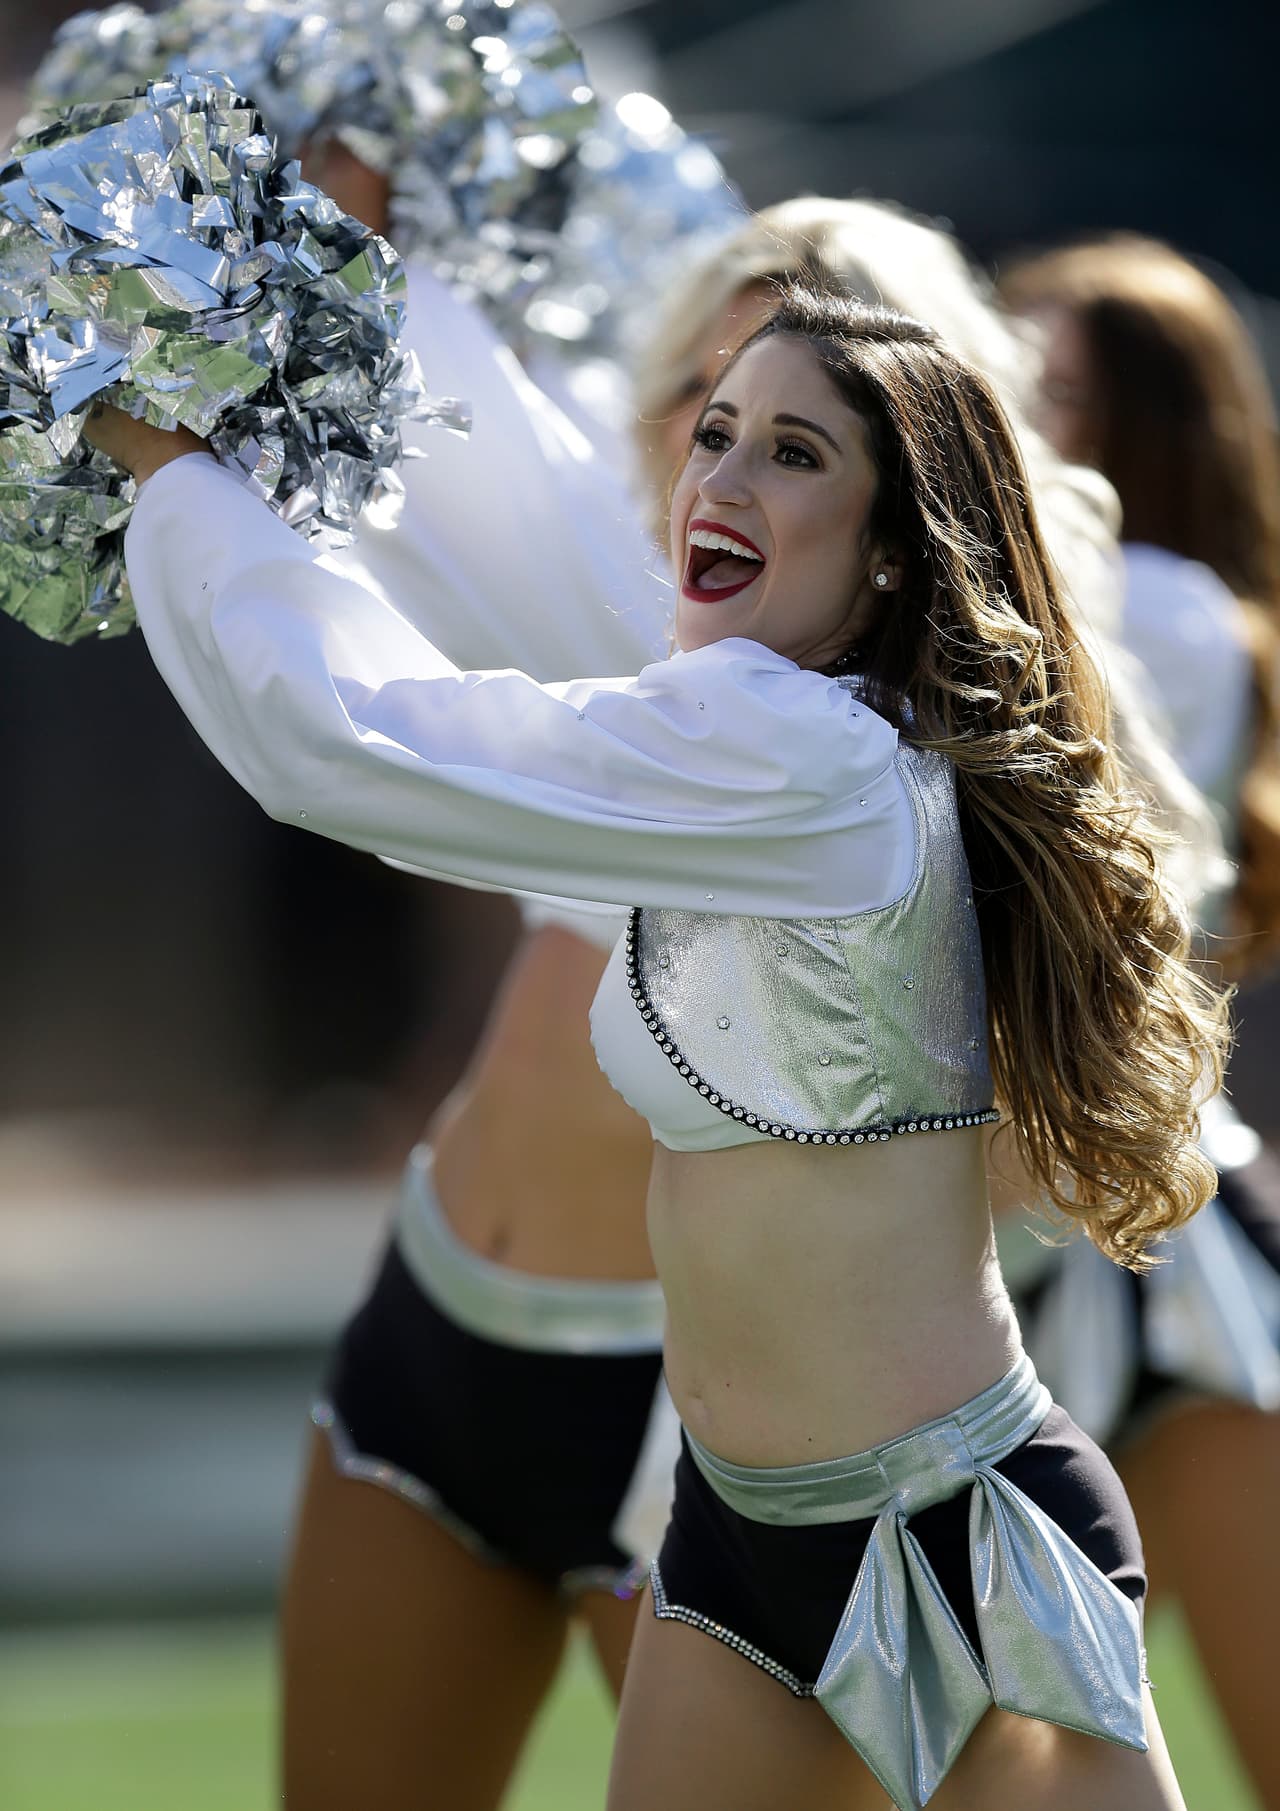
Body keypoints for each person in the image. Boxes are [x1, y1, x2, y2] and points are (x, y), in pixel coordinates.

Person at [90, 279, 1228, 1810]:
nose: (723, 479)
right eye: (716, 433)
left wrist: (173, 471)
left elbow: (359, 740)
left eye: (796, 455)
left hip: (950, 1540)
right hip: (735, 1543)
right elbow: (487, 621)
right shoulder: (748, 737)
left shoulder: (801, 756)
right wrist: (338, 304)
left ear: (894, 551)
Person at [998, 233, 1280, 1808]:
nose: (998, 407)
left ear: (1137, 426)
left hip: (1174, 1272)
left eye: (1041, 382)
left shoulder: (1160, 610)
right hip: (1017, 1272)